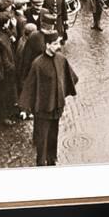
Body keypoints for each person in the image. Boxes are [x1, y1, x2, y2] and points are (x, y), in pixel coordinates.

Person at [19, 31, 78, 166]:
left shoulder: (61, 59)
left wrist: (62, 93)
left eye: (58, 43)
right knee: (42, 139)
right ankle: (40, 164)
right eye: (55, 43)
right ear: (47, 45)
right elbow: (29, 86)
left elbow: (69, 78)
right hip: (43, 110)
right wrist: (24, 108)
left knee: (53, 136)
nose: (58, 46)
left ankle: (52, 160)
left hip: (56, 108)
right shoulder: (37, 64)